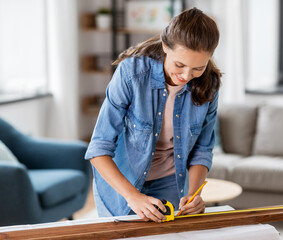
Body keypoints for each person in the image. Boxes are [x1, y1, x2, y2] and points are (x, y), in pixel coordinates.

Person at [85, 7, 221, 223]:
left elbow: (202, 150)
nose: (186, 76)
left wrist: (194, 195)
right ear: (165, 46)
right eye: (180, 64)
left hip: (169, 181)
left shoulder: (210, 85)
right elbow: (98, 148)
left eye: (198, 68)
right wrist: (133, 197)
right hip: (123, 183)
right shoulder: (131, 74)